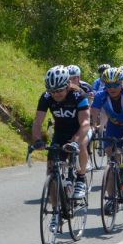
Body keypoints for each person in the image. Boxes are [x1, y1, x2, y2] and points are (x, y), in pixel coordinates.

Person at [31, 66, 91, 231]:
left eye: (59, 91)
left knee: (82, 143)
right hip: (60, 133)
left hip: (80, 129)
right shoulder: (46, 97)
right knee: (51, 172)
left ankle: (80, 178)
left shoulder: (79, 95)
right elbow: (37, 122)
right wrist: (37, 140)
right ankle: (57, 212)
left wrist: (75, 140)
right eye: (52, 91)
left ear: (67, 85)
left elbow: (86, 123)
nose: (56, 94)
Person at [91, 67, 123, 197]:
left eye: (115, 84)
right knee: (112, 158)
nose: (112, 88)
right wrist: (92, 129)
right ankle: (111, 199)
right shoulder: (100, 96)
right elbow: (93, 115)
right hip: (114, 124)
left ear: (121, 83)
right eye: (108, 85)